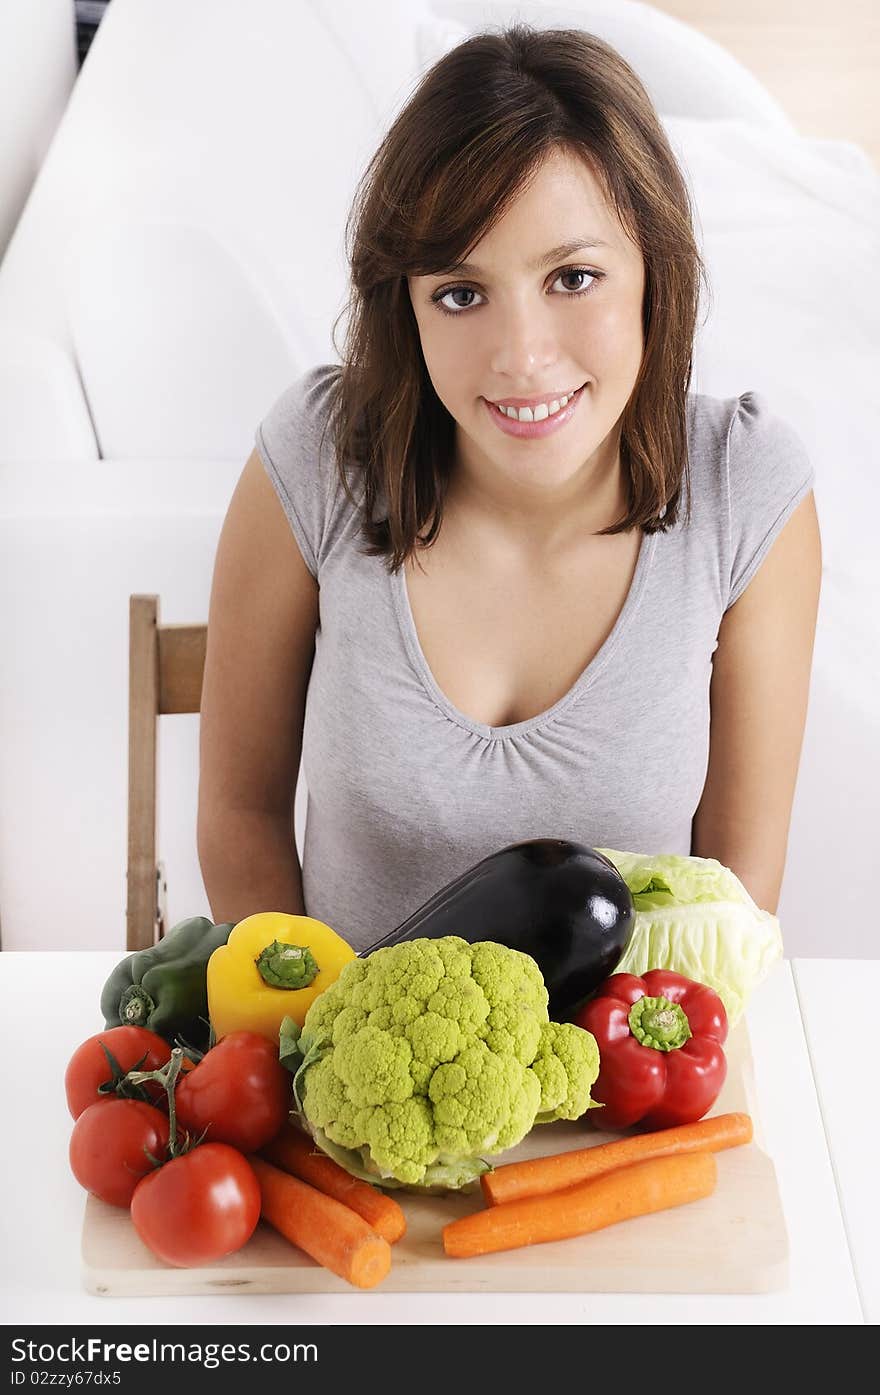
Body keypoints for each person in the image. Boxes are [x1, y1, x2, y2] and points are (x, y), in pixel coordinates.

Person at [197, 25, 821, 951]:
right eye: (460, 292)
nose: (522, 358)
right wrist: (318, 1046)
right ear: (403, 305)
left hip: (627, 1087)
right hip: (345, 1077)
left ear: (655, 272)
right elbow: (241, 816)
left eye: (574, 277)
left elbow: (729, 906)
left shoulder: (747, 491)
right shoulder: (318, 456)